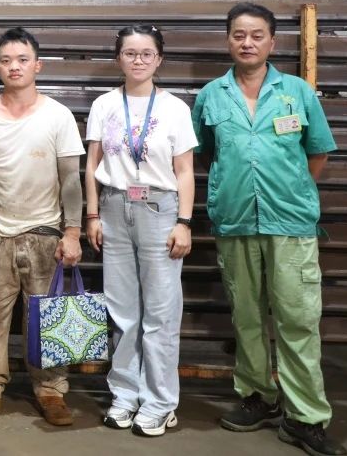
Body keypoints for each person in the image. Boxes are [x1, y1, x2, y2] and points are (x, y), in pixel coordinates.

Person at [192, 2, 345, 456]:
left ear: (272, 42)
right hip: (235, 220)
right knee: (247, 316)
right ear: (228, 40)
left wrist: (291, 189)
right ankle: (257, 397)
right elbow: (207, 154)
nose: (247, 43)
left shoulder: (297, 92)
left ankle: (305, 418)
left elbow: (317, 151)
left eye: (257, 35)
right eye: (239, 34)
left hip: (290, 222)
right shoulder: (211, 95)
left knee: (298, 320)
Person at [0, 27, 85, 426]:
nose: (14, 66)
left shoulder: (58, 115)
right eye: (6, 60)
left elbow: (71, 178)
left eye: (22, 59)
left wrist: (72, 232)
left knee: (47, 318)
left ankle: (50, 390)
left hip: (45, 235)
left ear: (38, 65)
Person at [83, 25, 196, 436]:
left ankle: (161, 402)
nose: (138, 60)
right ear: (119, 58)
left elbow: (185, 171)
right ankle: (125, 395)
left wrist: (184, 222)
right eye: (130, 53)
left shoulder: (175, 108)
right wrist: (92, 215)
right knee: (123, 311)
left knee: (161, 313)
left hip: (159, 210)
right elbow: (92, 164)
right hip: (114, 207)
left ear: (159, 59)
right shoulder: (104, 104)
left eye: (147, 54)